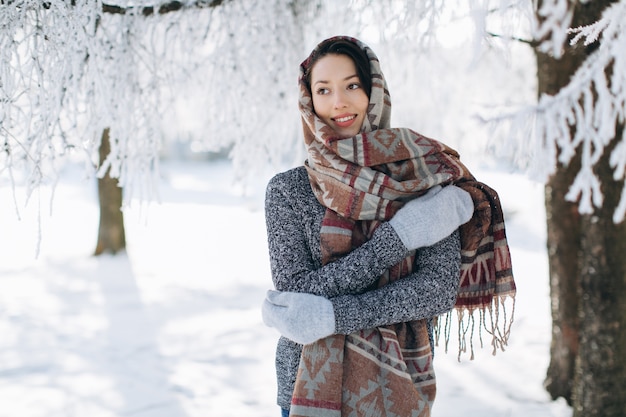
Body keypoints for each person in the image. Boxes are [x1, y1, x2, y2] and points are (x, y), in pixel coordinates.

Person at [261, 36, 515, 417]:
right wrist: (400, 238)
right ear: (308, 101)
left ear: (374, 91)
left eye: (352, 86)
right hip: (305, 387)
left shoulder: (421, 177)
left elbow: (435, 291)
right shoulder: (287, 190)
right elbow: (296, 299)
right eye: (323, 90)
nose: (339, 103)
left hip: (400, 382)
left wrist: (334, 317)